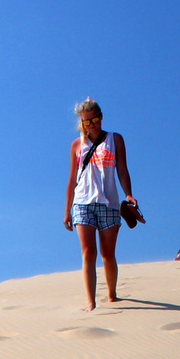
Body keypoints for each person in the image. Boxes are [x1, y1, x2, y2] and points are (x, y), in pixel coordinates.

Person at [63, 98, 135, 310]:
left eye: (94, 119)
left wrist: (129, 195)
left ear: (101, 117)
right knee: (88, 253)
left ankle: (112, 295)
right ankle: (90, 302)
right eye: (86, 121)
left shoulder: (115, 139)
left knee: (108, 255)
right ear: (81, 122)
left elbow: (122, 170)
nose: (91, 124)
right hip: (83, 202)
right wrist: (67, 210)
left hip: (109, 202)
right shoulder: (77, 145)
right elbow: (71, 179)